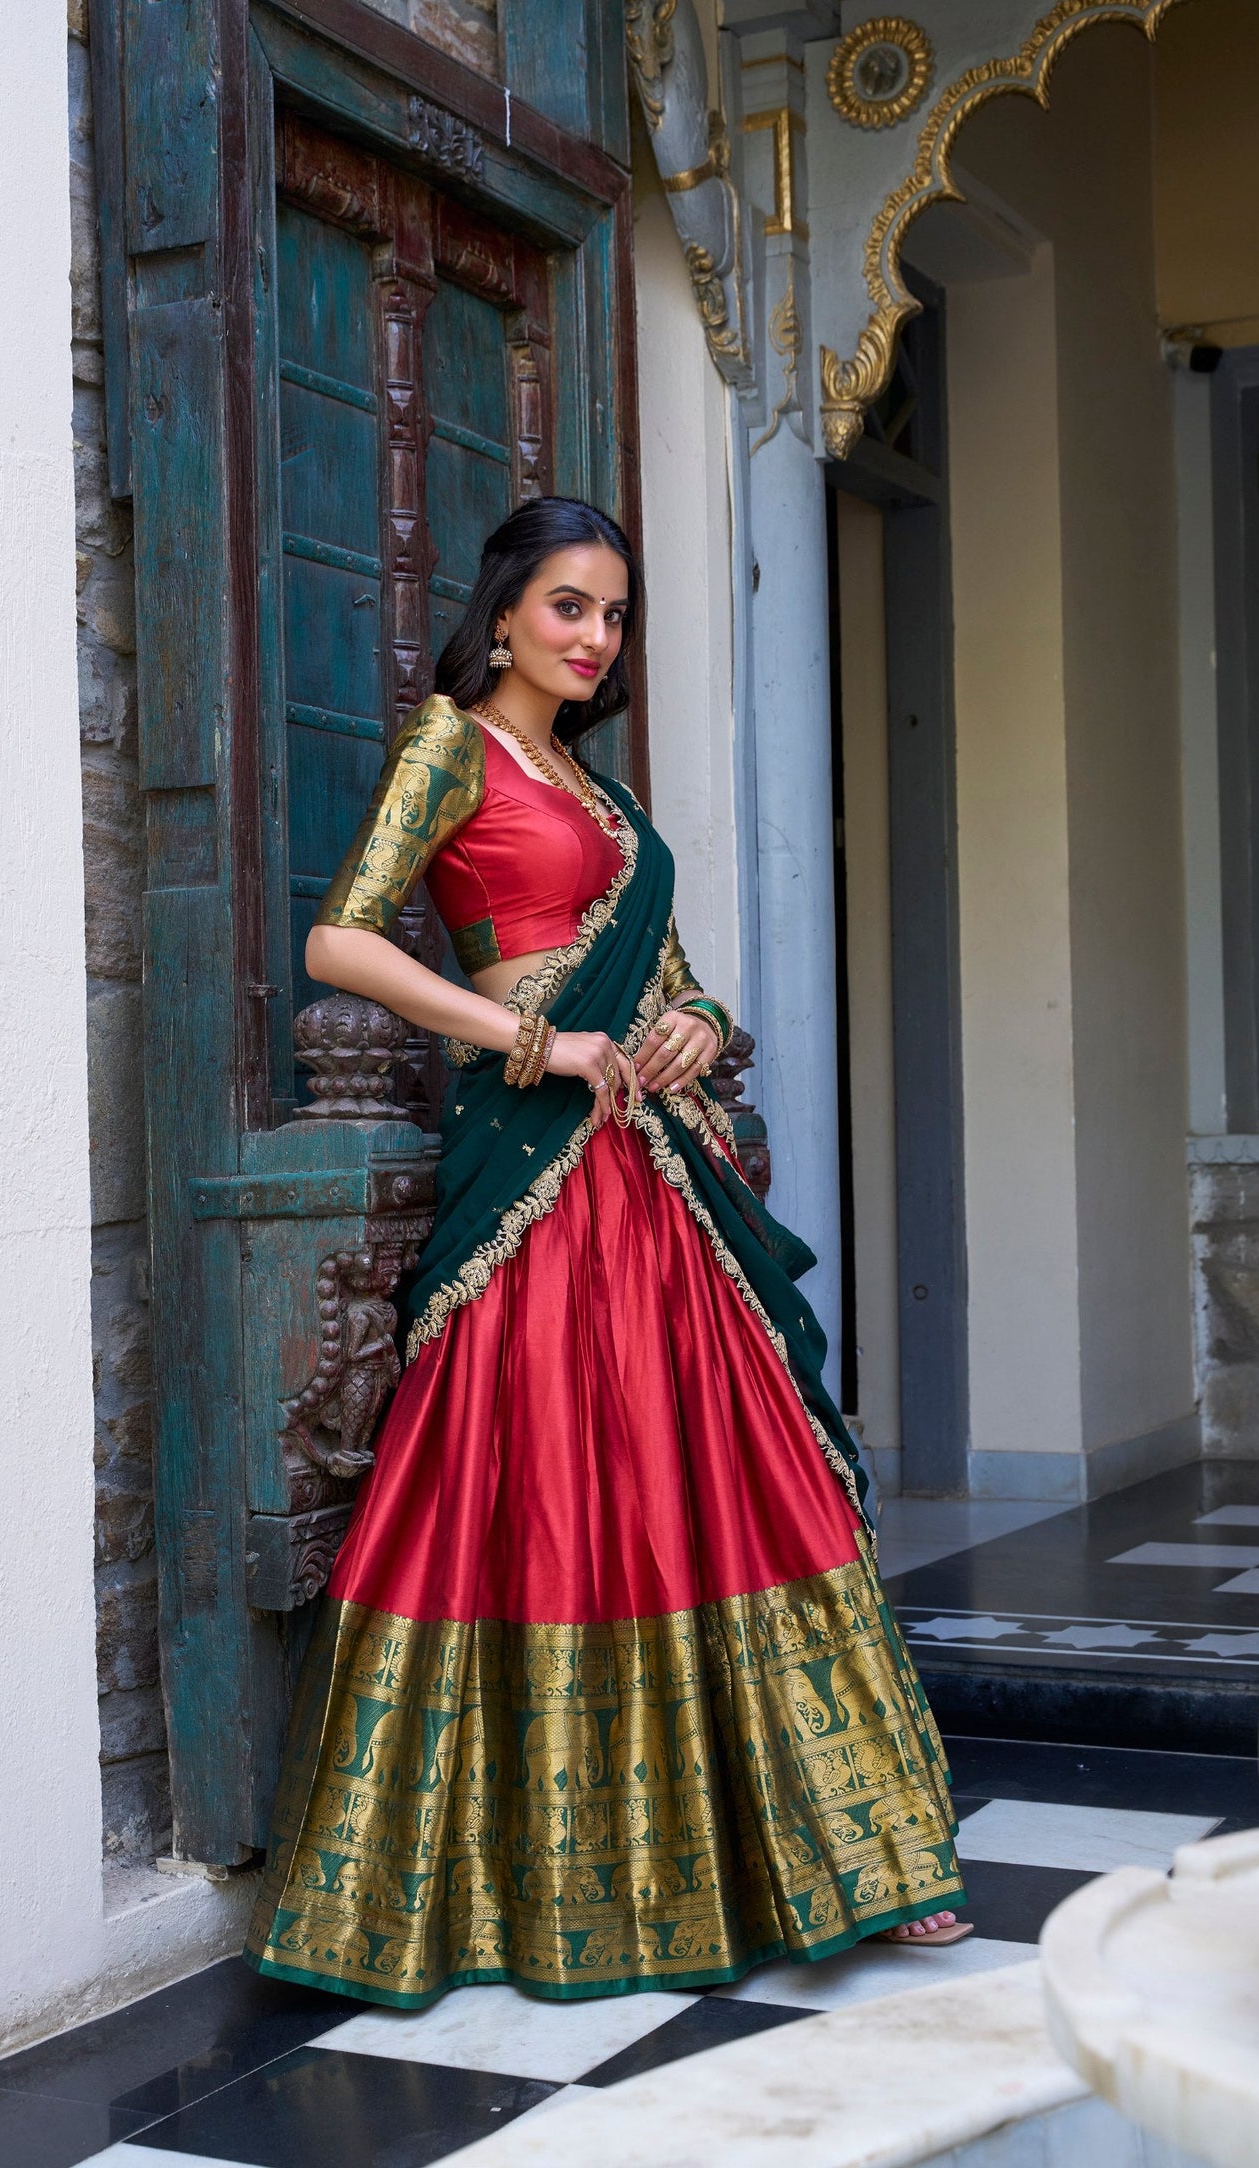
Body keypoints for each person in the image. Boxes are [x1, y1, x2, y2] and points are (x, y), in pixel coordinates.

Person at [245, 496, 968, 2008]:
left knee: (733, 1481)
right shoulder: (452, 746)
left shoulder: (596, 788)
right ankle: (560, 1889)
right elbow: (345, 941)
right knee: (570, 1488)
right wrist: (530, 1036)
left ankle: (851, 1854)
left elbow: (679, 980)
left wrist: (701, 1021)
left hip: (654, 1170)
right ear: (501, 610)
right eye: (568, 607)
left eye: (615, 615)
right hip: (541, 1180)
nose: (593, 638)